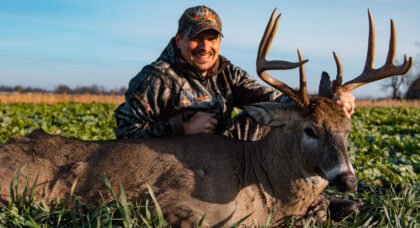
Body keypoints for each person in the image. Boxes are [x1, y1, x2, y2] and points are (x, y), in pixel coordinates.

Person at [114, 5, 357, 220]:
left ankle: (308, 197)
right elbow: (125, 133)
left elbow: (274, 100)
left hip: (224, 157)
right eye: (196, 38)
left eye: (211, 38)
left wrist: (327, 107)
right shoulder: (156, 78)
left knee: (272, 120)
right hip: (174, 167)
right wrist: (181, 128)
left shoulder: (229, 73)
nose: (205, 46)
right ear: (179, 40)